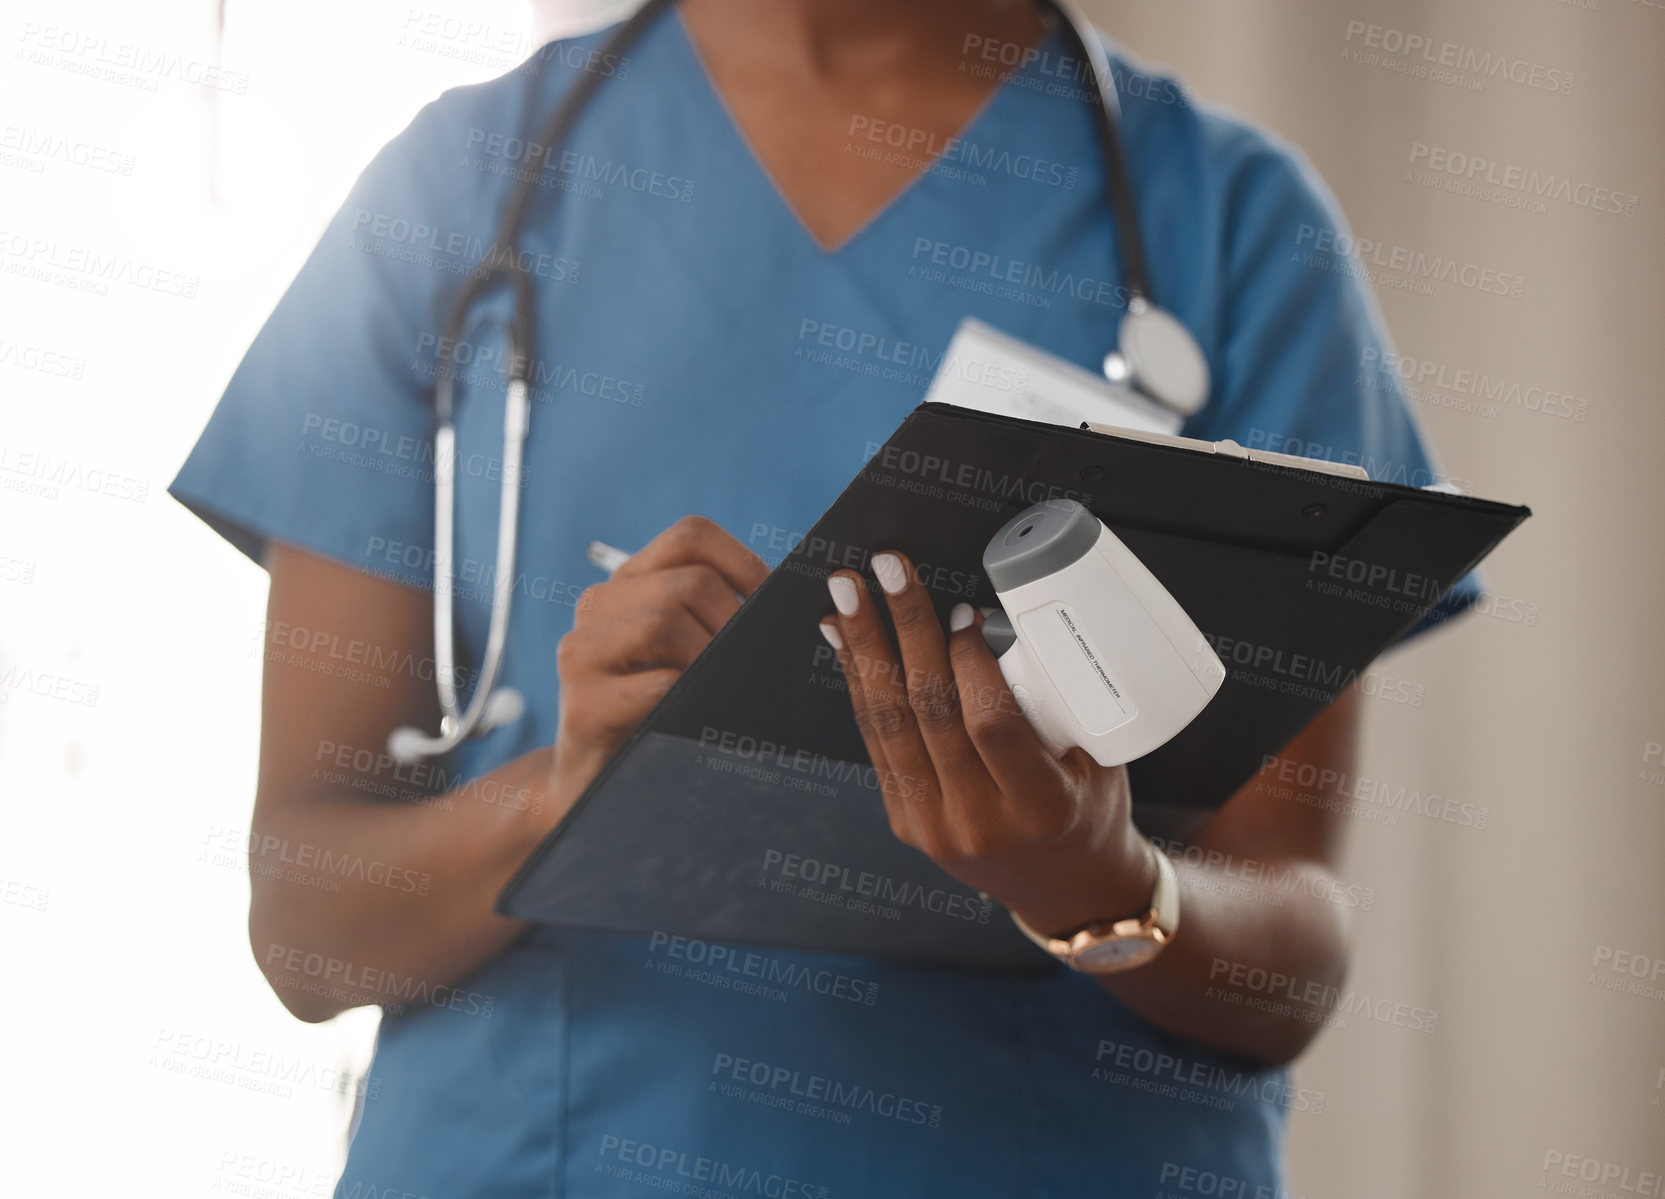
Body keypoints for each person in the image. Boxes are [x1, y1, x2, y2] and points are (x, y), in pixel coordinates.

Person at [170, 0, 1476, 1194]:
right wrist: (560, 801)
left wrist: (1098, 883)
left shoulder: (1232, 226)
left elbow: (1285, 957)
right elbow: (307, 929)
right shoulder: (454, 191)